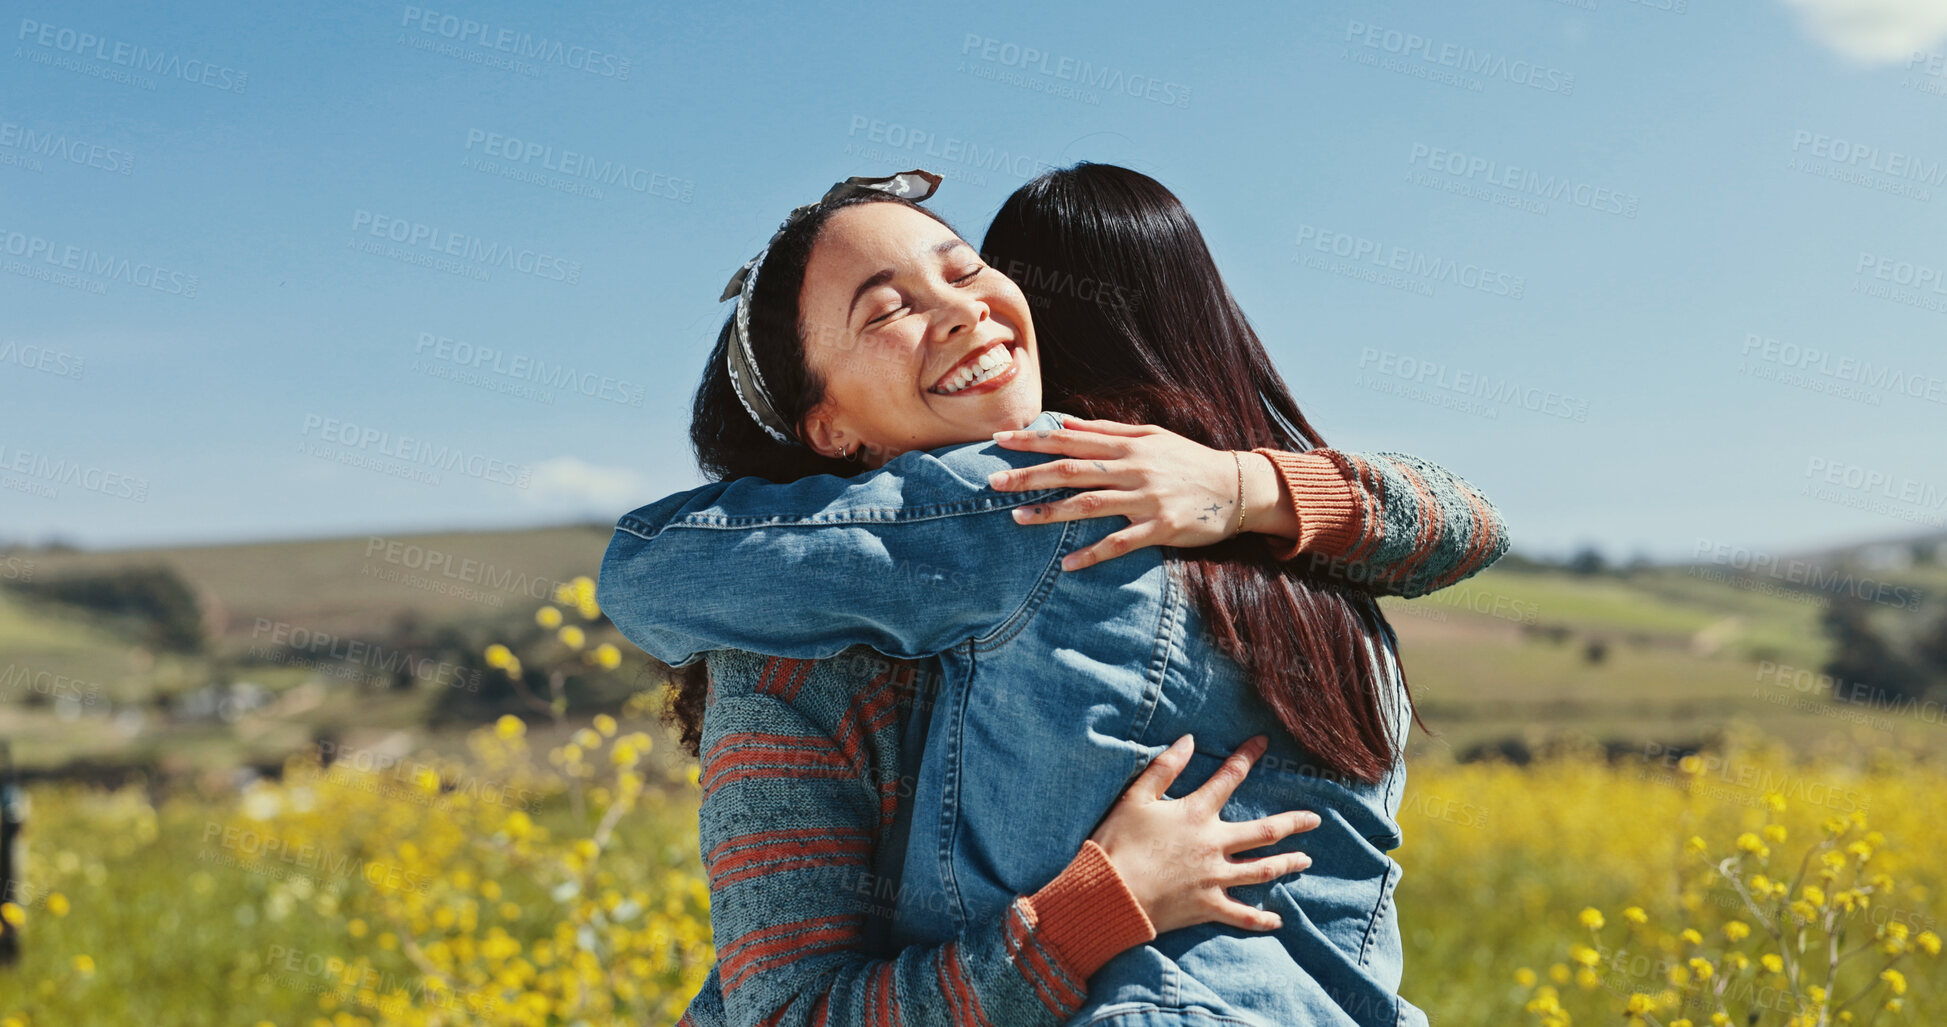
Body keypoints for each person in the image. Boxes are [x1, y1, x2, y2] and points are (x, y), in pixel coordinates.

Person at [600, 166, 1507, 1026]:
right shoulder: (1326, 589)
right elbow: (1470, 521)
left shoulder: (1114, 504)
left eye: (966, 272)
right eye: (888, 310)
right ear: (827, 424)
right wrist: (1093, 905)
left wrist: (1231, 484)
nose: (961, 312)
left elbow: (640, 566)